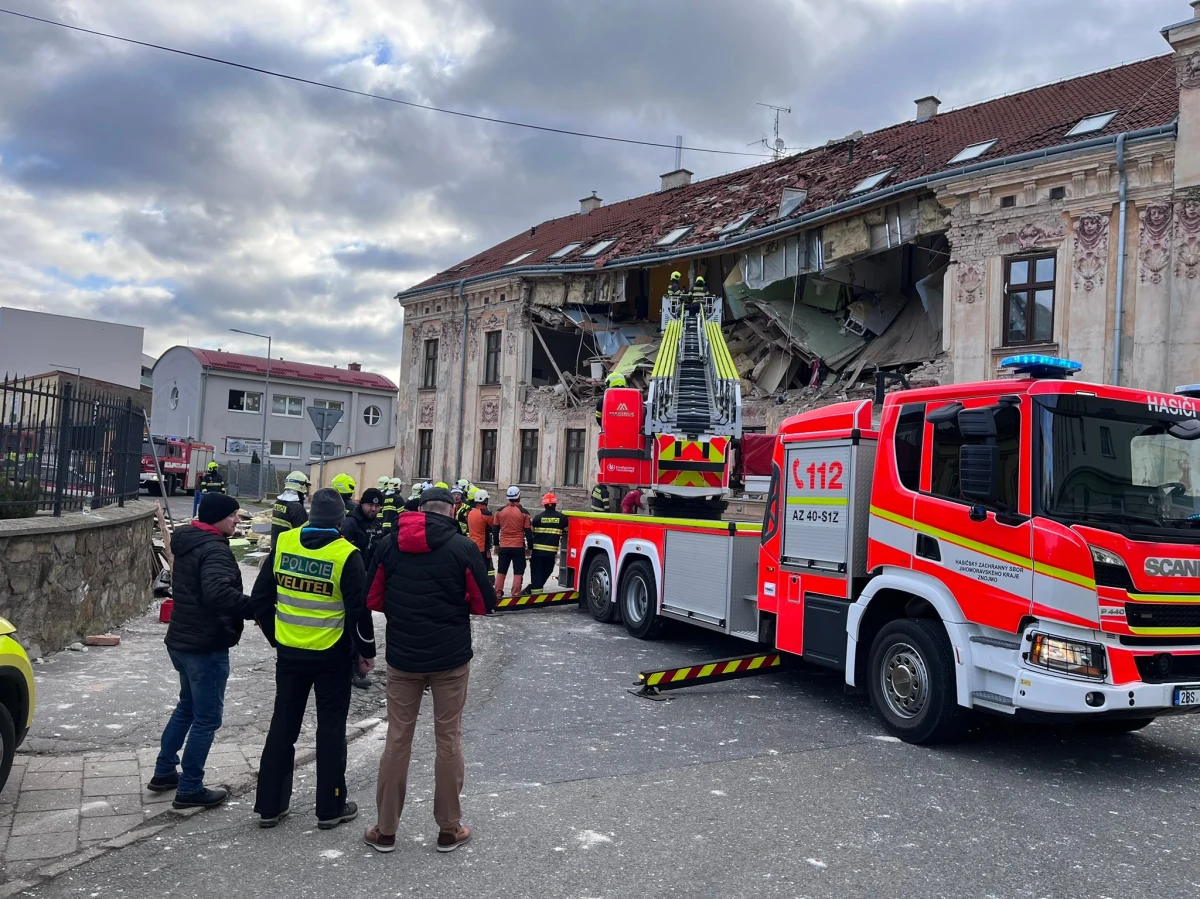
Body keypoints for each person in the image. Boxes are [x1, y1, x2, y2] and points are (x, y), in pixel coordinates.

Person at [362, 486, 497, 853]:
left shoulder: (389, 545)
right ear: (452, 510)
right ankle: (449, 829)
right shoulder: (462, 548)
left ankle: (386, 831)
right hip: (449, 659)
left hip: (403, 658)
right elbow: (485, 603)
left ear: (418, 510)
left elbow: (372, 597)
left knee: (397, 740)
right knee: (448, 739)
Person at [251, 488, 376, 830]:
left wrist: (276, 636)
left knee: (283, 727)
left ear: (309, 515)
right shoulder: (346, 554)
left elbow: (260, 599)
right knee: (331, 730)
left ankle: (269, 806)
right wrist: (367, 654)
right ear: (340, 520)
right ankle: (330, 807)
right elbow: (358, 612)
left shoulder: (285, 543)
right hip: (332, 655)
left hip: (289, 652)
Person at [149, 493, 253, 809]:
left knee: (187, 708)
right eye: (232, 515)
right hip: (205, 645)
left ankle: (165, 771)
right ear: (217, 518)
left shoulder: (188, 541)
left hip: (181, 640)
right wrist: (256, 609)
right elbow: (219, 595)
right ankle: (190, 788)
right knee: (206, 718)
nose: (237, 520)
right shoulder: (214, 551)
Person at [341, 486, 384, 690]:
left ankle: (359, 666)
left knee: (362, 624)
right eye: (370, 505)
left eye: (377, 505)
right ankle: (351, 670)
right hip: (349, 581)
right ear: (362, 504)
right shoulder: (350, 523)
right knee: (350, 625)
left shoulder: (377, 524)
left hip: (367, 580)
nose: (373, 509)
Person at [493, 486, 532, 598]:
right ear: (519, 496)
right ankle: (515, 594)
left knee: (501, 571)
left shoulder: (499, 512)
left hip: (504, 546)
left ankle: (497, 593)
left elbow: (495, 530)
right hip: (518, 546)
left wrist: (496, 544)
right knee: (518, 571)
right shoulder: (524, 513)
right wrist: (530, 547)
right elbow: (528, 531)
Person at [527, 493, 568, 592]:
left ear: (544, 504)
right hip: (550, 553)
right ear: (555, 504)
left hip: (537, 553)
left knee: (536, 574)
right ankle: (533, 590)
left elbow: (530, 534)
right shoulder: (562, 519)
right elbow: (566, 534)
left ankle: (535, 595)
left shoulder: (537, 518)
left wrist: (530, 547)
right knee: (547, 571)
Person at [466, 489, 495, 582]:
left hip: (471, 545)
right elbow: (493, 526)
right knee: (483, 570)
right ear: (485, 501)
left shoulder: (471, 512)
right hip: (482, 547)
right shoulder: (485, 513)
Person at [271, 471, 310, 541]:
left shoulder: (278, 503)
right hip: (289, 548)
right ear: (301, 486)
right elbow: (305, 534)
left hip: (277, 547)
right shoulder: (297, 508)